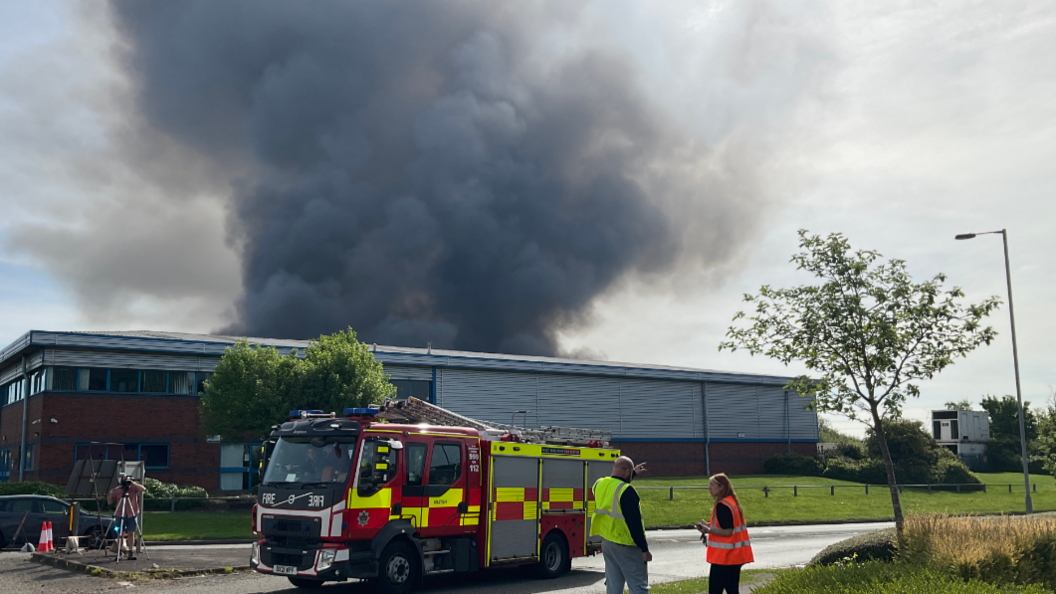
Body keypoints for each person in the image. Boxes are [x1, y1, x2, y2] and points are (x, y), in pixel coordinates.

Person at [590, 456, 650, 594]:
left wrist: (632, 473)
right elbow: (634, 523)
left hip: (608, 543)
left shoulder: (599, 484)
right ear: (626, 471)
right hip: (627, 544)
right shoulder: (628, 491)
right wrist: (644, 549)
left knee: (613, 586)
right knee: (638, 586)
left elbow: (615, 488)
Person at [696, 473, 753, 594]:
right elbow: (727, 526)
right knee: (732, 590)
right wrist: (709, 526)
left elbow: (727, 531)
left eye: (712, 485)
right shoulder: (731, 502)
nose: (709, 488)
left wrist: (708, 530)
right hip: (734, 557)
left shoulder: (722, 505)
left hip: (724, 559)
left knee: (715, 590)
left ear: (721, 487)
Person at [107, 474, 147, 560]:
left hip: (132, 513)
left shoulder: (133, 488)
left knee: (131, 533)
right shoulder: (117, 490)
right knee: (119, 533)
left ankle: (130, 551)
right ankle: (120, 551)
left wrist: (131, 482)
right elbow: (109, 502)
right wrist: (110, 494)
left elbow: (143, 489)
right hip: (119, 514)